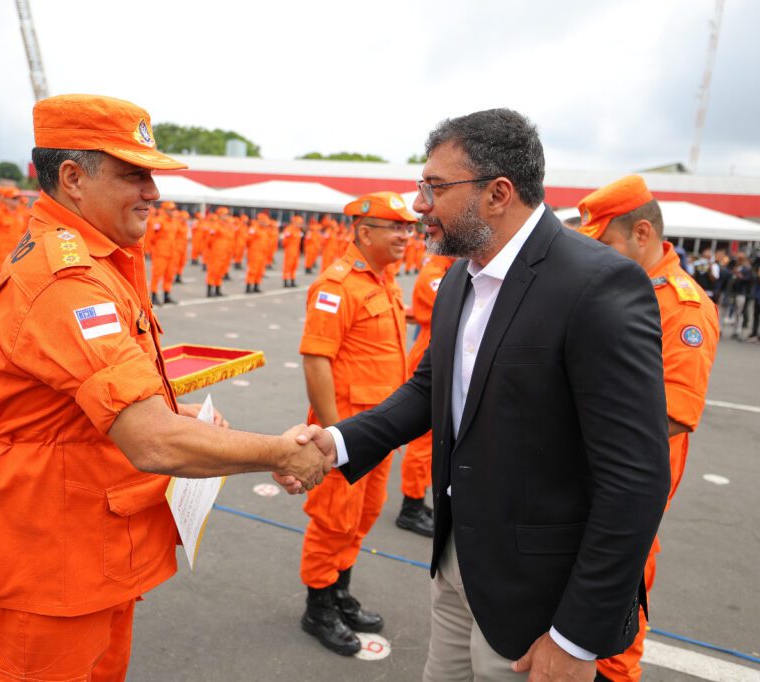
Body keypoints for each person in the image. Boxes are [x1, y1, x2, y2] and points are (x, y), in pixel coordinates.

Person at [277, 109, 669, 681]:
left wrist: (577, 638)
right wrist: (332, 444)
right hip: (457, 560)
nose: (418, 206)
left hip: (537, 597)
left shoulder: (596, 284)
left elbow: (636, 477)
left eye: (434, 188)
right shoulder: (462, 277)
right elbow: (430, 390)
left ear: (498, 193)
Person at [0, 94, 332, 681]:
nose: (154, 192)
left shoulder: (102, 262)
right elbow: (153, 443)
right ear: (72, 178)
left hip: (96, 545)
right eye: (133, 174)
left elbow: (95, 400)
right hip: (54, 559)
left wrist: (171, 410)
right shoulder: (70, 282)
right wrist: (278, 452)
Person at [576, 175, 720, 682]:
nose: (600, 257)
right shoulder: (626, 288)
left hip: (627, 492)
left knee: (615, 638)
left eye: (607, 244)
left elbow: (675, 414)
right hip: (590, 484)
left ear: (642, 233)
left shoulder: (682, 305)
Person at [296, 191, 415, 656]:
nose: (408, 235)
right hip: (346, 435)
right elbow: (315, 360)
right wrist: (333, 437)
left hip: (377, 432)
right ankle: (318, 606)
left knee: (362, 517)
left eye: (409, 227)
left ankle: (340, 590)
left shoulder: (385, 281)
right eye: (397, 228)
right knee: (332, 521)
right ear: (366, 232)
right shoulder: (336, 286)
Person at [396, 250, 454, 538]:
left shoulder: (447, 269)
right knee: (422, 442)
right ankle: (411, 507)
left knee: (432, 441)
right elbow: (454, 308)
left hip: (438, 352)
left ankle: (417, 499)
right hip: (430, 357)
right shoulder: (435, 274)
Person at [281, 215, 304, 287]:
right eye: (299, 223)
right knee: (288, 266)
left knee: (294, 266)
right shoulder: (289, 230)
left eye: (301, 223)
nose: (300, 224)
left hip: (296, 251)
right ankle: (285, 281)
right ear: (294, 222)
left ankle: (292, 281)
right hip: (290, 251)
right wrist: (288, 248)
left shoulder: (299, 231)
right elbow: (284, 241)